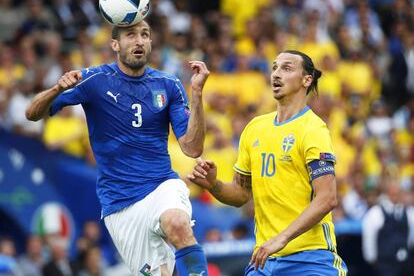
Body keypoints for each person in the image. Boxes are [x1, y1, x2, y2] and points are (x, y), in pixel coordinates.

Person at [25, 20, 210, 276]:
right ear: (115, 44)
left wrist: (197, 94)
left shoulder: (169, 85)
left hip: (160, 185)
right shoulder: (94, 80)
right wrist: (58, 89)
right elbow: (32, 113)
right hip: (120, 204)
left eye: (145, 34)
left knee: (178, 223)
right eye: (131, 35)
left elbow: (192, 148)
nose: (139, 40)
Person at [189, 50, 348, 275]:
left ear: (306, 80)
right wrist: (213, 184)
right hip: (265, 261)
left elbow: (327, 198)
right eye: (274, 67)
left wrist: (280, 239)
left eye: (287, 68)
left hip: (311, 258)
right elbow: (241, 195)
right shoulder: (254, 128)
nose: (276, 74)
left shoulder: (313, 129)